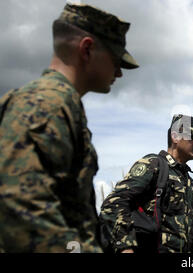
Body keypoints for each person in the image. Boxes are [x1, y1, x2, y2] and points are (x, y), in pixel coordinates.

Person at [0, 3, 138, 253]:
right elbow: (20, 209)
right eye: (116, 59)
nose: (119, 72)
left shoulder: (59, 105)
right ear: (87, 49)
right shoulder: (47, 104)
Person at [100, 114, 193, 253]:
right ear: (175, 137)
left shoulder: (189, 181)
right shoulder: (154, 164)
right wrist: (125, 246)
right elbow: (114, 203)